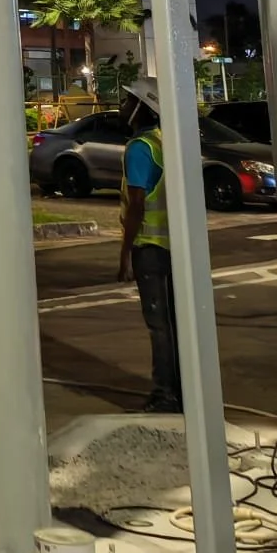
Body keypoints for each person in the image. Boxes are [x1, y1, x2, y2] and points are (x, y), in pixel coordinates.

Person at [117, 73, 181, 413]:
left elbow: (138, 204)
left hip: (151, 248)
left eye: (129, 101)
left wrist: (125, 254)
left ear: (143, 108)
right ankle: (181, 390)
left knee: (158, 325)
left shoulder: (141, 148)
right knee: (173, 322)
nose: (123, 107)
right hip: (174, 245)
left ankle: (164, 394)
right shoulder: (164, 141)